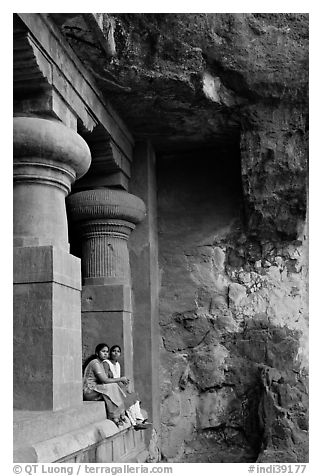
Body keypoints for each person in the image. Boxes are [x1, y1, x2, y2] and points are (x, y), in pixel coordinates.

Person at [103, 345, 150, 429]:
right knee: (126, 399)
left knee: (134, 396)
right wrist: (120, 381)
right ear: (110, 352)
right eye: (114, 351)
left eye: (118, 351)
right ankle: (134, 422)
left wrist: (124, 383)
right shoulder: (106, 363)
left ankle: (139, 419)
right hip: (111, 388)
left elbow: (118, 377)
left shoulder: (117, 364)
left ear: (120, 354)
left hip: (118, 386)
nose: (116, 353)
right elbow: (106, 378)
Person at [83, 343, 130, 427]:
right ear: (97, 353)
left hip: (96, 389)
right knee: (110, 387)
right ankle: (114, 416)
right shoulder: (95, 363)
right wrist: (120, 379)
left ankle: (120, 414)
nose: (105, 353)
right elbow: (104, 380)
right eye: (103, 351)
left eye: (107, 352)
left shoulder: (100, 363)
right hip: (89, 391)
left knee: (113, 387)